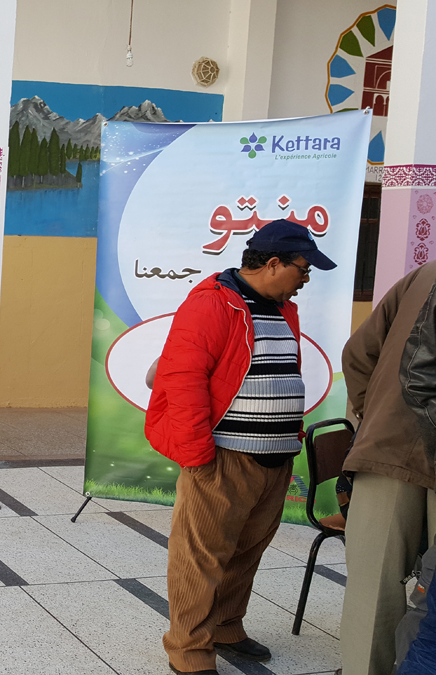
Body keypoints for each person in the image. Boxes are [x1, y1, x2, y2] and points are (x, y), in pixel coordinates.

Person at [145, 220, 336, 675]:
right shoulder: (212, 304)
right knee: (201, 557)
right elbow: (183, 379)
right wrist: (197, 456)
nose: (306, 278)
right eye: (302, 268)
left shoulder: (280, 306)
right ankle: (189, 650)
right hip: (224, 456)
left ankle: (227, 627)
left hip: (275, 455)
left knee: (247, 549)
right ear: (273, 264)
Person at [341, 261, 436, 675]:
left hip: (389, 444)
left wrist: (373, 415)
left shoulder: (425, 272)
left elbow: (358, 354)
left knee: (373, 587)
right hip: (396, 447)